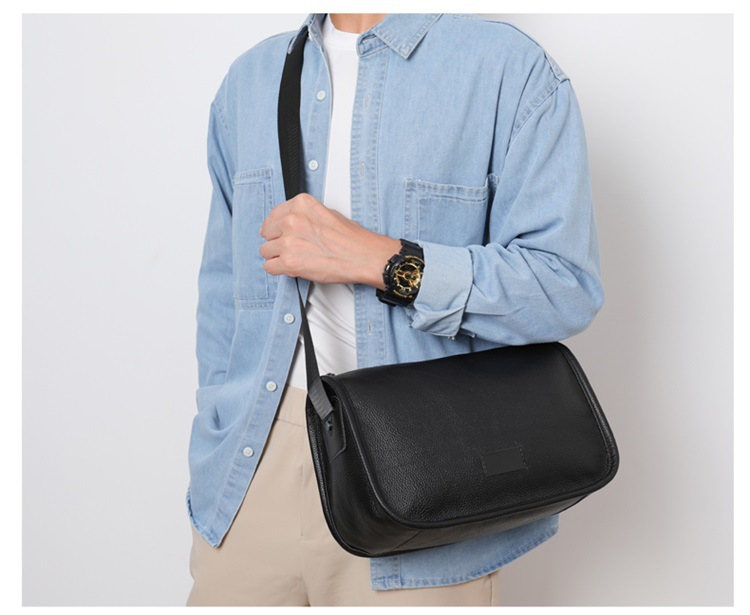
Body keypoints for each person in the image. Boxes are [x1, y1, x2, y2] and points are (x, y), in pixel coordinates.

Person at [185, 12, 604, 607]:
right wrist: (215, 432)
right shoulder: (250, 81)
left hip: (426, 471)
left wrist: (383, 260)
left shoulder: (507, 70)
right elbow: (223, 295)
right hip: (249, 472)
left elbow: (564, 287)